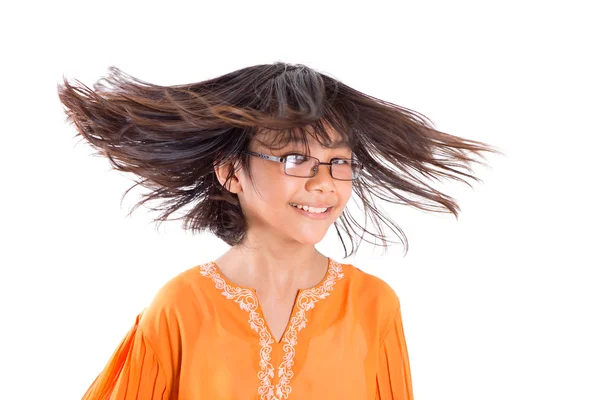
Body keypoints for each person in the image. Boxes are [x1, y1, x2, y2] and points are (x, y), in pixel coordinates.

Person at [57, 62, 500, 399]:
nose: (324, 182)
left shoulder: (373, 305)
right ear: (230, 172)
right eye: (295, 158)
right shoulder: (181, 306)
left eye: (339, 161)